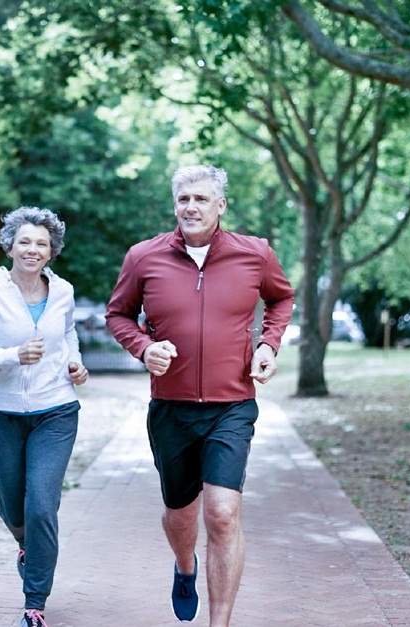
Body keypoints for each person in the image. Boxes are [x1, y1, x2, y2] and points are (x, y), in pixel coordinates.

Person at [105, 164, 294, 625]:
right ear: (175, 204)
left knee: (222, 513)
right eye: (183, 199)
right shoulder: (143, 257)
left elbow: (281, 299)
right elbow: (118, 315)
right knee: (180, 513)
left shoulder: (256, 254)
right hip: (170, 409)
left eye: (201, 199)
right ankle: (185, 566)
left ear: (220, 205)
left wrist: (268, 343)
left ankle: (219, 622)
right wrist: (145, 348)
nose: (191, 207)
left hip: (232, 405)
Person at [0, 206, 90, 627]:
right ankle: (25, 545)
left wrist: (75, 364)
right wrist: (12, 356)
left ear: (52, 252)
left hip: (56, 411)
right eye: (25, 241)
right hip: (1, 414)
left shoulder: (62, 292)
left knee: (42, 506)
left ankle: (35, 602)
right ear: (10, 245)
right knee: (14, 508)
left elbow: (67, 334)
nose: (33, 249)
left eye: (42, 244)